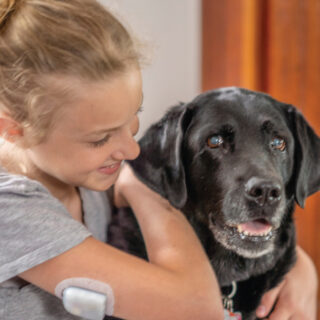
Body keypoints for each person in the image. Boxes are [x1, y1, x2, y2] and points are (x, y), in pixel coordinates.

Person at [0, 1, 317, 320]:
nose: (132, 150)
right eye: (101, 137)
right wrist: (142, 186)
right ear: (12, 127)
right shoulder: (9, 209)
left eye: (132, 118)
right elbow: (195, 309)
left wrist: (300, 268)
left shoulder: (86, 175)